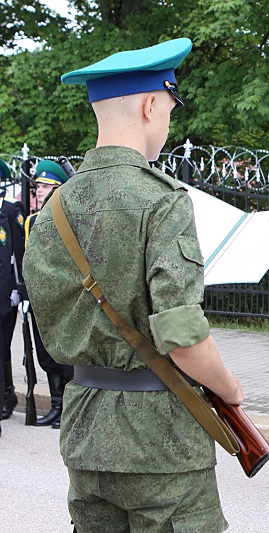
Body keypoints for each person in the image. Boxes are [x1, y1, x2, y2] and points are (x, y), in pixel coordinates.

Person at [22, 38, 243, 531]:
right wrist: (229, 388)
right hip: (159, 436)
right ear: (149, 105)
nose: (166, 123)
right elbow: (182, 335)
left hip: (85, 428)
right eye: (167, 109)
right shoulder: (162, 200)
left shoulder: (54, 209)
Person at [23, 160, 76, 428]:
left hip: (64, 301)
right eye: (39, 186)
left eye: (46, 186)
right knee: (45, 355)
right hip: (38, 300)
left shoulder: (67, 219)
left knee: (65, 355)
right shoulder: (31, 221)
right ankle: (56, 404)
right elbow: (28, 262)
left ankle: (68, 407)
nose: (40, 190)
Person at [0, 157, 25, 422]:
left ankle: (8, 394)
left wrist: (19, 289)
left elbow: (18, 253)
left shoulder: (11, 211)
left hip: (5, 291)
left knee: (3, 346)